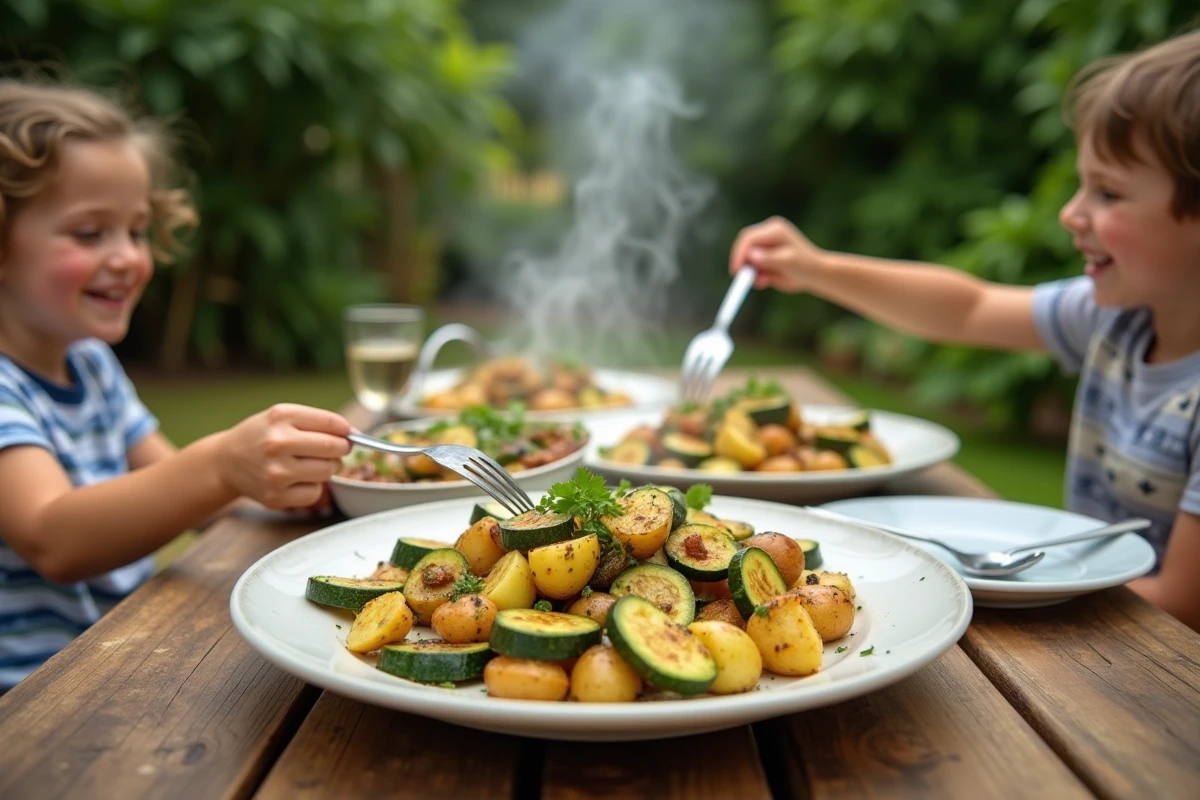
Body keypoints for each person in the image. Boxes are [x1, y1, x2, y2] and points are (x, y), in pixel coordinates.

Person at [730, 31, 1200, 630]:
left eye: (1108, 193)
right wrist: (815, 269)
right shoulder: (1115, 318)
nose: (1071, 213)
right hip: (1094, 626)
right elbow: (966, 309)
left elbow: (1183, 599)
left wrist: (1022, 582)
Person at [0, 79, 353, 691]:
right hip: (30, 701)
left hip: (114, 660)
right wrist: (221, 463)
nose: (128, 258)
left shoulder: (89, 365)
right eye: (90, 233)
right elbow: (53, 537)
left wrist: (285, 480)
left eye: (136, 231)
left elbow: (178, 487)